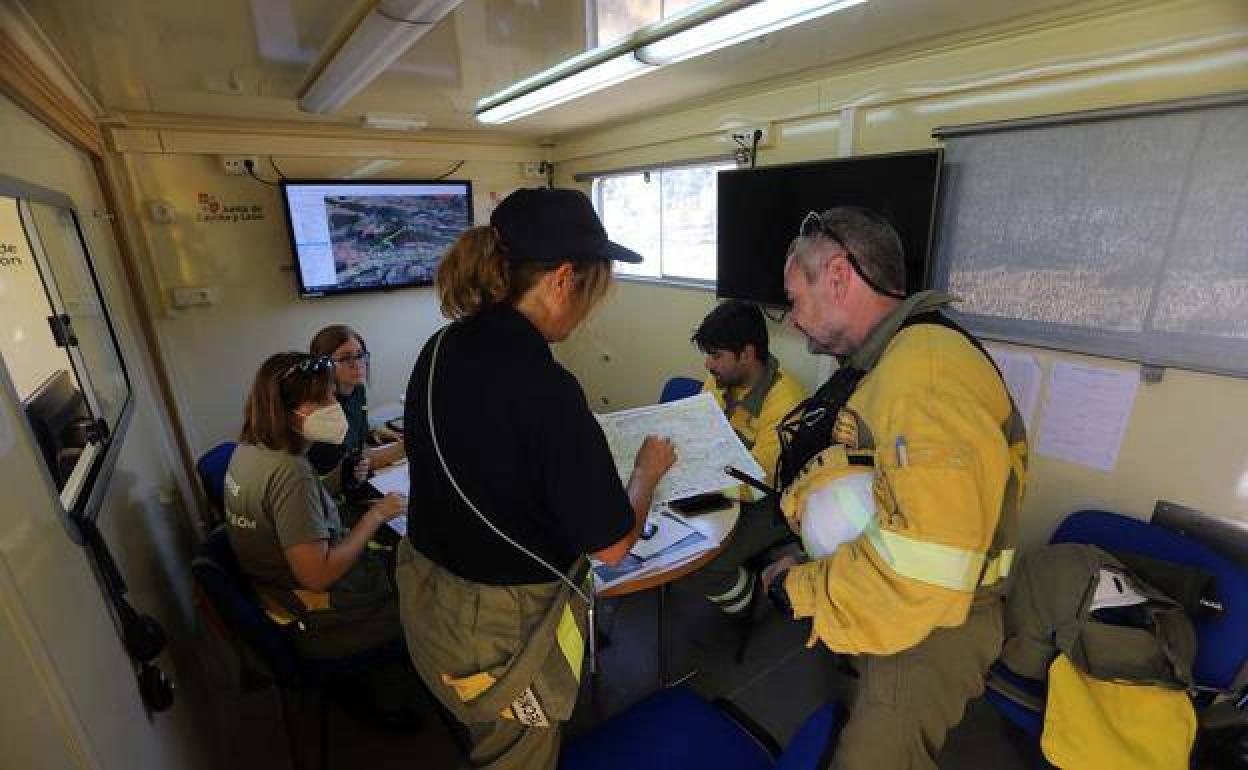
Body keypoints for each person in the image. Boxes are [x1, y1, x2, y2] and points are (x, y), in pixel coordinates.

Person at [396, 187, 677, 770]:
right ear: (561, 279)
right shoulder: (545, 387)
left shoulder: (440, 346)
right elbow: (614, 544)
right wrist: (646, 472)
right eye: (593, 291)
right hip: (498, 637)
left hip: (431, 603)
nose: (590, 309)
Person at [759, 206, 1028, 770]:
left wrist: (801, 589)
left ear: (837, 276)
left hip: (932, 628)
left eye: (795, 297)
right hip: (903, 608)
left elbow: (920, 572)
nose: (790, 318)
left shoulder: (922, 376)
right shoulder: (895, 360)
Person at [223, 352, 407, 660]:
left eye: (332, 395)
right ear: (285, 409)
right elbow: (317, 576)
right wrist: (377, 515)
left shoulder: (250, 448)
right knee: (424, 589)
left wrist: (337, 479)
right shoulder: (290, 472)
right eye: (321, 401)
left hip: (273, 589)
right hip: (319, 618)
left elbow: (289, 507)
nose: (334, 407)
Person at [681, 299, 806, 617]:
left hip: (772, 501)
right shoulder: (721, 381)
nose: (708, 365)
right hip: (724, 487)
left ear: (747, 355)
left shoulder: (786, 401)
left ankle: (756, 602)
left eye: (716, 355)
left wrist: (696, 489)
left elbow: (757, 485)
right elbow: (694, 434)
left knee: (706, 565)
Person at [306, 324, 405, 489]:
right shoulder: (325, 410)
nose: (357, 363)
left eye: (360, 355)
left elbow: (358, 429)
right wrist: (409, 446)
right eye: (346, 358)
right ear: (324, 365)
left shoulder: (358, 389)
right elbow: (354, 465)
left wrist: (372, 429)